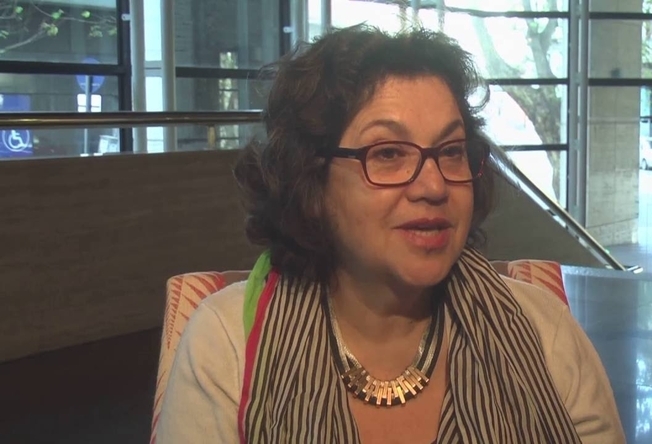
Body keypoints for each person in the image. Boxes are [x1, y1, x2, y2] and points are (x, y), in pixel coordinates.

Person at [156, 25, 625, 444]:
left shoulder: (544, 334)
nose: (434, 186)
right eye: (387, 154)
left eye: (451, 151)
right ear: (311, 180)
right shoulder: (227, 346)